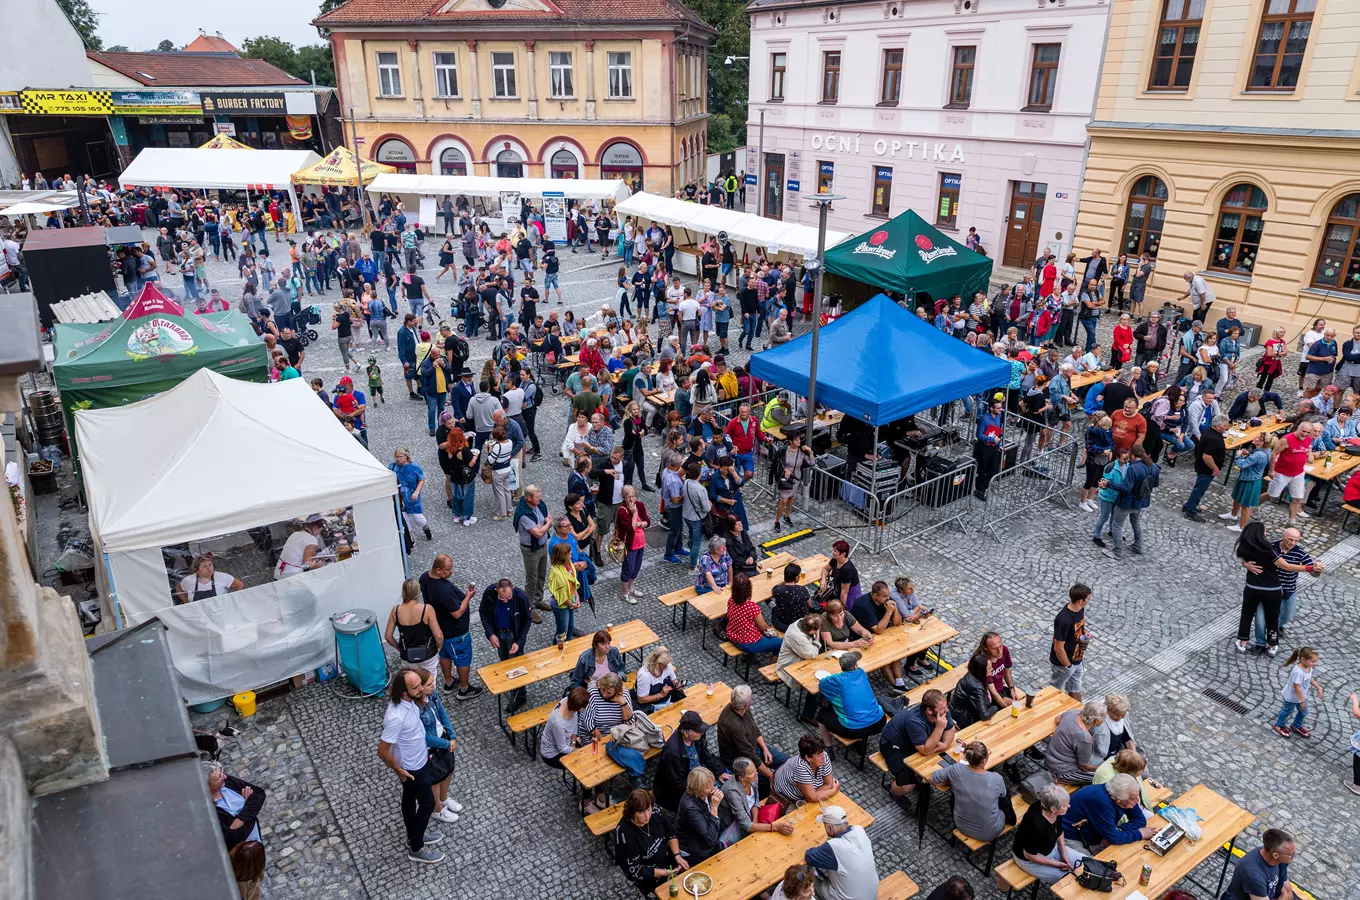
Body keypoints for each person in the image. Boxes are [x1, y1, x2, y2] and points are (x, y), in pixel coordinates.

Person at [377, 668, 446, 864]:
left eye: (419, 685)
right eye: (415, 688)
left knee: (408, 799)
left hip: (419, 759)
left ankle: (413, 835)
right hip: (411, 767)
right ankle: (416, 847)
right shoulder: (396, 717)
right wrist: (398, 769)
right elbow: (382, 750)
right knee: (427, 804)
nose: (421, 689)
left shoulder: (411, 702)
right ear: (403, 692)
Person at [880, 690, 955, 811]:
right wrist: (940, 728)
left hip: (915, 743)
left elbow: (951, 729)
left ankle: (920, 780)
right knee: (907, 786)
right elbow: (926, 750)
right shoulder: (914, 720)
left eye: (946, 706)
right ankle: (893, 790)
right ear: (929, 711)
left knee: (941, 759)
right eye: (942, 708)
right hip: (894, 747)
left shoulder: (941, 710)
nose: (946, 710)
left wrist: (945, 744)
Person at [420, 555, 480, 698]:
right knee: (463, 660)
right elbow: (457, 613)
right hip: (456, 633)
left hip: (439, 629)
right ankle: (464, 689)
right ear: (438, 570)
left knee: (444, 655)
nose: (451, 572)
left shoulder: (424, 577)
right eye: (448, 569)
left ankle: (449, 682)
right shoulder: (443, 590)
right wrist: (468, 596)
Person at [929, 741, 1012, 843]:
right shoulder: (996, 779)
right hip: (989, 832)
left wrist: (952, 780)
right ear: (984, 761)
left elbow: (933, 778)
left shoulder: (956, 769)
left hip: (961, 825)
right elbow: (1003, 795)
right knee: (1004, 798)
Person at [716, 684, 787, 797]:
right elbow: (749, 754)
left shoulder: (743, 709)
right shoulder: (733, 725)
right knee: (766, 784)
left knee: (787, 762)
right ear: (747, 704)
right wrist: (770, 775)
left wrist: (765, 749)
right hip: (741, 759)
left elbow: (754, 729)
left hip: (755, 748)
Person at [614, 789, 688, 894]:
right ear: (632, 812)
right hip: (650, 877)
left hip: (668, 861)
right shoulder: (625, 836)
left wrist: (677, 855)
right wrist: (665, 873)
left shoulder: (655, 811)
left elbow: (671, 834)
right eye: (642, 812)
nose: (647, 816)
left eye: (649, 810)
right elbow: (636, 872)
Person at [654, 709, 727, 813]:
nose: (701, 732)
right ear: (686, 733)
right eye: (698, 731)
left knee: (726, 782)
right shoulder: (672, 753)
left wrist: (718, 772)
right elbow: (676, 783)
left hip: (700, 775)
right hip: (686, 787)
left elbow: (705, 754)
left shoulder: (697, 738)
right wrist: (702, 789)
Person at [1012, 783, 1087, 884]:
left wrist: (1063, 851)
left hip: (1050, 849)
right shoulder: (1037, 826)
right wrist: (1057, 864)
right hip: (1029, 860)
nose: (1069, 806)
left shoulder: (1054, 811)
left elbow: (1058, 830)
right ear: (1053, 809)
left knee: (1086, 862)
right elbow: (1030, 855)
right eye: (1065, 805)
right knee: (1070, 880)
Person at [803, 804, 880, 900]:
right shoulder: (859, 830)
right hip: (871, 895)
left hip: (846, 898)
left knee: (804, 871)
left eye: (825, 825)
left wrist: (826, 844)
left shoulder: (833, 847)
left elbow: (809, 856)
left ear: (829, 828)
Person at [1235, 521, 1289, 655]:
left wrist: (1245, 564)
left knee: (1247, 614)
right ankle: (1272, 644)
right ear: (1260, 533)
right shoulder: (1269, 550)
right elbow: (1286, 566)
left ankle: (1243, 642)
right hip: (1272, 590)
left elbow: (1243, 560)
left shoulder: (1245, 548)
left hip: (1252, 587)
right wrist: (1307, 568)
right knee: (1272, 617)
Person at [478, 579, 532, 714]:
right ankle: (513, 689)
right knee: (505, 663)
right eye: (502, 599)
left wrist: (519, 642)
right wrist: (490, 634)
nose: (506, 601)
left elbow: (527, 620)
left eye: (508, 598)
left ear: (512, 589)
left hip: (513, 635)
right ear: (497, 591)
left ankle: (520, 696)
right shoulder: (489, 594)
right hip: (498, 634)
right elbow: (483, 613)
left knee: (516, 666)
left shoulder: (520, 597)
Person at [1062, 775, 1154, 853]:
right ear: (1118, 800)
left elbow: (1140, 820)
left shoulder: (1124, 795)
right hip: (1071, 836)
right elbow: (1114, 838)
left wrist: (1117, 832)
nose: (1137, 801)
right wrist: (1139, 834)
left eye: (1137, 796)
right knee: (1093, 866)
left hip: (1094, 833)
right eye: (1133, 799)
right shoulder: (1102, 802)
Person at [719, 756, 796, 846]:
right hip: (734, 821)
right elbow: (746, 824)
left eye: (755, 769)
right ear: (741, 777)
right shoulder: (732, 792)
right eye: (751, 773)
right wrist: (775, 827)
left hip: (751, 816)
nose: (756, 773)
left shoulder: (753, 778)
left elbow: (755, 800)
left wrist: (755, 819)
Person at [385, 577, 444, 677]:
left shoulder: (396, 610)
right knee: (430, 683)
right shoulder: (427, 609)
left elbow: (388, 636)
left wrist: (399, 648)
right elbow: (438, 636)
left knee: (412, 684)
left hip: (407, 655)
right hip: (428, 654)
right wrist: (438, 647)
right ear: (418, 591)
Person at [205, 761, 266, 851]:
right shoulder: (208, 811)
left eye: (222, 772)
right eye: (219, 777)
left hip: (256, 840)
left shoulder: (226, 781)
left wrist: (241, 819)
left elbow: (259, 793)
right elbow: (231, 839)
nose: (225, 776)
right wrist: (248, 810)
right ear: (207, 787)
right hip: (241, 854)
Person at [778, 613, 825, 724]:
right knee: (816, 683)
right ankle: (808, 715)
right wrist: (817, 636)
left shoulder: (802, 622)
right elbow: (812, 654)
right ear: (812, 630)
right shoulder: (797, 636)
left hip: (802, 659)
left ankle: (822, 699)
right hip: (790, 666)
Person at [1222, 829, 1296, 900]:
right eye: (1292, 854)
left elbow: (1289, 895)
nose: (1294, 856)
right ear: (1275, 855)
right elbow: (1286, 893)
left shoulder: (1279, 860)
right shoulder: (1253, 874)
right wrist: (1284, 895)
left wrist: (1285, 894)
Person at [1045, 700, 1106, 785]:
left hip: (1049, 758)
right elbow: (1083, 766)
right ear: (1096, 721)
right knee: (1102, 778)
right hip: (1061, 772)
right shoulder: (1085, 738)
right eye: (1104, 718)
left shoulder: (1072, 713)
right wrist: (1101, 768)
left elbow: (1057, 719)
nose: (1104, 720)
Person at [771, 734, 840, 809]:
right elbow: (812, 798)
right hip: (786, 798)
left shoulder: (823, 756)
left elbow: (828, 784)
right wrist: (834, 790)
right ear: (808, 758)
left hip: (807, 793)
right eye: (819, 755)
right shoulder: (800, 767)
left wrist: (813, 795)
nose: (823, 757)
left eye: (822, 752)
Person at [675, 766, 724, 864]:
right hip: (696, 852)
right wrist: (714, 807)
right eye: (708, 787)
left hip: (705, 846)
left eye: (712, 784)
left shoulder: (703, 794)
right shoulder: (690, 807)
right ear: (698, 788)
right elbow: (710, 839)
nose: (712, 788)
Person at [1274, 646, 1324, 739]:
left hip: (1301, 696)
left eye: (1316, 661)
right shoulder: (1298, 672)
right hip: (1292, 697)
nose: (1315, 664)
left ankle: (1296, 725)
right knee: (1287, 711)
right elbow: (1296, 687)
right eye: (1313, 661)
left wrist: (1318, 687)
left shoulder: (1308, 667)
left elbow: (1309, 678)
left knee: (1304, 712)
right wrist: (1303, 701)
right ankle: (1279, 725)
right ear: (1303, 659)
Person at [1050, 583, 1090, 700]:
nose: (1089, 600)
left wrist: (1084, 632)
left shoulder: (1080, 610)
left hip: (1077, 659)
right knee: (1053, 691)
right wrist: (1068, 666)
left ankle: (1079, 715)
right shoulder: (1063, 619)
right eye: (1087, 598)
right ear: (1080, 601)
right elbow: (1058, 647)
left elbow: (1079, 627)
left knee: (1075, 690)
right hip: (1064, 664)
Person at [726, 572, 782, 654]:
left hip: (732, 635)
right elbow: (763, 627)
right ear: (749, 589)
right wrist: (773, 632)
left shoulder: (731, 600)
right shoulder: (752, 607)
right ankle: (773, 665)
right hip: (748, 643)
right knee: (782, 643)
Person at [614, 484, 651, 602]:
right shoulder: (622, 511)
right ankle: (625, 593)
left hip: (640, 542)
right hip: (629, 545)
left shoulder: (639, 505)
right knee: (628, 568)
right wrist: (635, 514)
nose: (631, 499)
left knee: (636, 567)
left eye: (633, 496)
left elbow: (648, 522)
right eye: (628, 496)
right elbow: (630, 529)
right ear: (623, 497)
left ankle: (631, 588)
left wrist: (638, 524)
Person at [540, 687, 588, 768]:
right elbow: (562, 748)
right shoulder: (558, 723)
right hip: (552, 754)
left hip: (568, 743)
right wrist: (576, 750)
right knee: (582, 762)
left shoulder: (571, 702)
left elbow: (574, 725)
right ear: (580, 708)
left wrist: (573, 744)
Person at [390, 448, 432, 541]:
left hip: (412, 497)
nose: (398, 459)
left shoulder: (414, 467)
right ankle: (410, 539)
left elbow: (421, 479)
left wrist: (416, 492)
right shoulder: (392, 466)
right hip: (399, 498)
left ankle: (425, 527)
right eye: (396, 457)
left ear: (406, 456)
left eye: (400, 457)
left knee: (418, 518)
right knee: (405, 520)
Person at [948, 653, 999, 730]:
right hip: (965, 721)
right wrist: (996, 707)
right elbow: (984, 715)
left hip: (959, 713)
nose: (992, 669)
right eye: (989, 668)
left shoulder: (973, 675)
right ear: (981, 671)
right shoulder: (976, 687)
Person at [173, 553, 243, 604]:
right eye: (204, 566)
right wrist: (186, 603)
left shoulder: (222, 577)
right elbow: (179, 588)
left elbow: (239, 585)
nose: (209, 568)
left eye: (210, 565)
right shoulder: (188, 581)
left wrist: (232, 601)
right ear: (197, 569)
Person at [273, 514, 327, 579]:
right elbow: (308, 562)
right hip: (292, 577)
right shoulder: (311, 539)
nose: (318, 533)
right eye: (319, 531)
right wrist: (324, 571)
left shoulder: (294, 534)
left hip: (278, 573)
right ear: (315, 528)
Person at [1091, 693, 1137, 759]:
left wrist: (1134, 754)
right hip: (1102, 756)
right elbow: (1098, 746)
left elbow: (1126, 736)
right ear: (1108, 710)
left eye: (1122, 715)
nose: (1120, 718)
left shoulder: (1124, 714)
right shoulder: (1099, 721)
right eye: (1117, 715)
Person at [770, 562, 813, 633]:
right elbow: (810, 605)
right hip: (799, 624)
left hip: (781, 624)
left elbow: (774, 589)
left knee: (774, 608)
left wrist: (785, 581)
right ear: (796, 578)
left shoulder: (778, 590)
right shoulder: (803, 590)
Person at [635, 646, 681, 712]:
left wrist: (678, 685)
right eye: (664, 665)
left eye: (667, 664)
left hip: (668, 701)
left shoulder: (667, 665)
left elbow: (674, 680)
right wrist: (660, 695)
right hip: (652, 708)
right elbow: (641, 700)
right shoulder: (644, 675)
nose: (666, 667)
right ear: (656, 663)